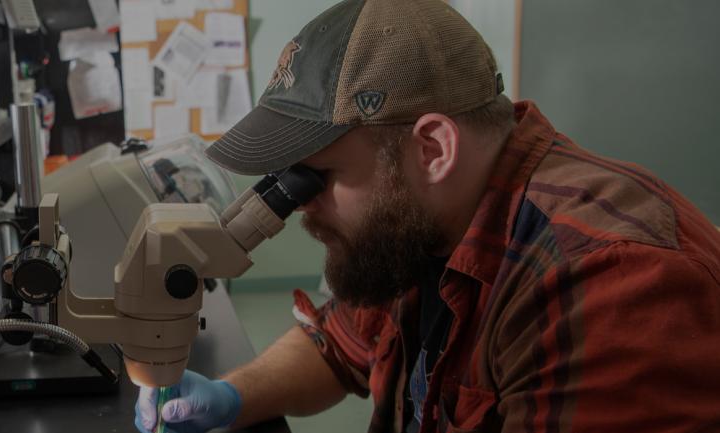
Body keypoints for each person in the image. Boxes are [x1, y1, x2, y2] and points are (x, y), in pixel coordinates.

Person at [133, 0, 720, 432]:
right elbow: (337, 346)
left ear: (433, 149)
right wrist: (232, 397)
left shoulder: (615, 287)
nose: (301, 203)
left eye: (318, 177)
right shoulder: (417, 224)